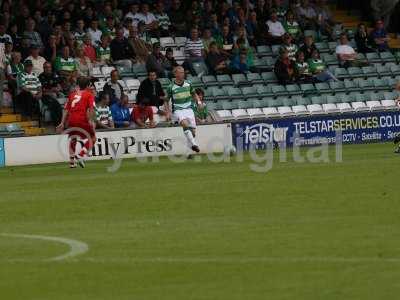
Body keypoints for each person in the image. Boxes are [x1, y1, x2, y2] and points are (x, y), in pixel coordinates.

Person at [57, 76, 96, 168]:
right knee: (93, 138)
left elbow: (66, 109)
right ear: (87, 86)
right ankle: (81, 155)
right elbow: (91, 109)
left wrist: (62, 122)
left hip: (71, 120)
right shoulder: (89, 94)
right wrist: (90, 120)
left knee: (73, 138)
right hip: (82, 119)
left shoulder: (72, 94)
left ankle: (71, 162)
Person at [165, 66, 200, 153]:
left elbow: (194, 94)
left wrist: (199, 102)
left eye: (183, 72)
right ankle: (195, 144)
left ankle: (188, 152)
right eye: (180, 73)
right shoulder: (171, 87)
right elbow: (165, 100)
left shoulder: (189, 83)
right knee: (184, 124)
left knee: (193, 133)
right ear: (175, 74)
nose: (182, 74)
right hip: (178, 109)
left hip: (189, 109)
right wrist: (168, 112)